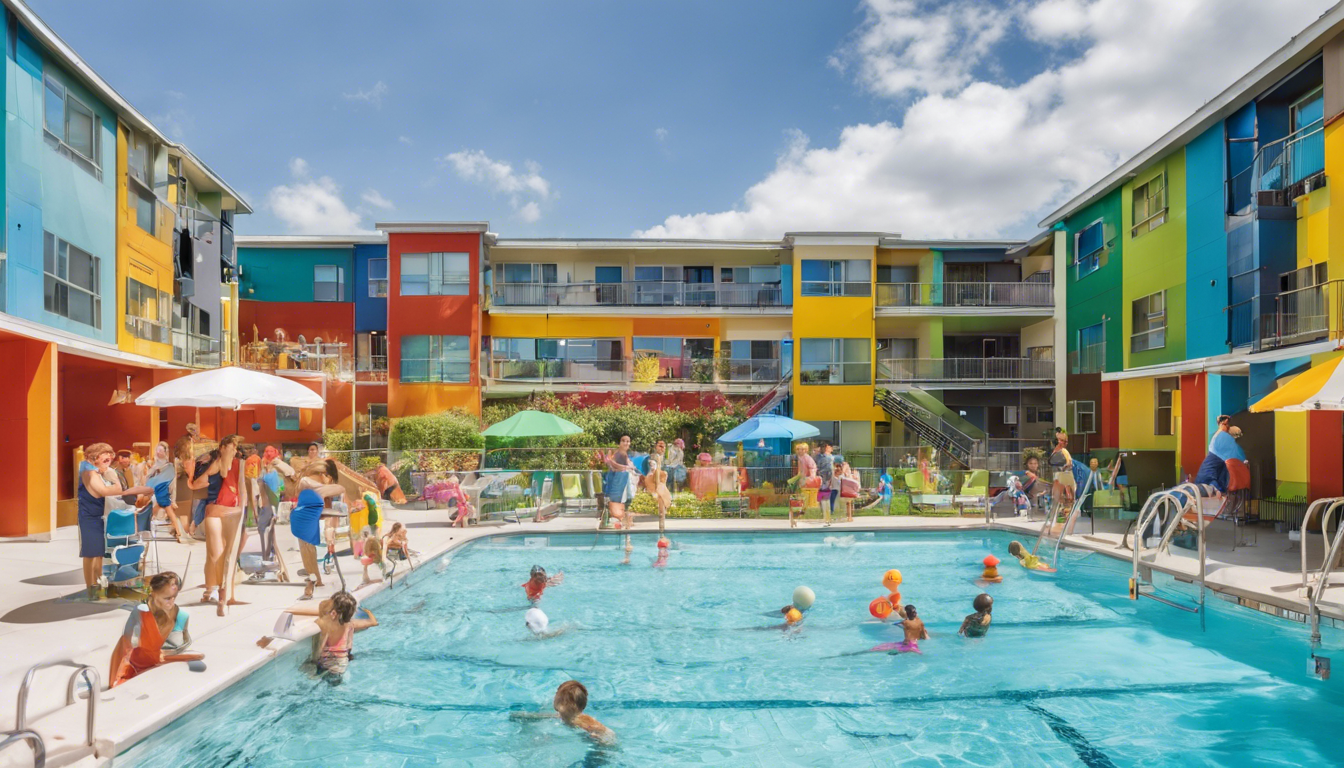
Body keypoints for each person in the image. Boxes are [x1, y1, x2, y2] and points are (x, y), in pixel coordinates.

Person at [78, 444, 153, 600]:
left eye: (110, 455)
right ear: (94, 457)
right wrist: (114, 480)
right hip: (89, 517)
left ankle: (98, 583)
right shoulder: (90, 473)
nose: (109, 458)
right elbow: (105, 492)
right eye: (105, 454)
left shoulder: (96, 472)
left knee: (98, 554)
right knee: (90, 554)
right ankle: (90, 587)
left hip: (98, 516)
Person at [109, 572, 204, 686]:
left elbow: (178, 644)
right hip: (136, 667)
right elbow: (123, 645)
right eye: (167, 598)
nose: (172, 602)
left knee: (198, 656)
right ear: (153, 594)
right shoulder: (142, 611)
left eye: (174, 597)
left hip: (155, 662)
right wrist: (113, 683)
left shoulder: (177, 613)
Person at [190, 435, 246, 616]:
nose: (234, 449)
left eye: (236, 446)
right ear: (222, 447)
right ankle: (216, 591)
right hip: (214, 510)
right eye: (231, 446)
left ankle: (219, 592)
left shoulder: (237, 464)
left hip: (231, 511)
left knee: (225, 553)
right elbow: (196, 485)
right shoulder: (215, 464)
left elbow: (242, 487)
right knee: (216, 553)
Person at [292, 462, 347, 596]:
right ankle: (315, 579)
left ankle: (314, 579)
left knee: (308, 548)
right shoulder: (311, 482)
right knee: (307, 549)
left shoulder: (315, 483)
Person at [511, 681, 614, 743]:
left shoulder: (578, 722)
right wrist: (523, 716)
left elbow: (603, 736)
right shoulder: (569, 716)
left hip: (602, 750)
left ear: (558, 701)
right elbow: (548, 716)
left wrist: (598, 741)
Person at [312, 591, 378, 680]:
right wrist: (368, 612)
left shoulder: (325, 624)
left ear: (333, 612)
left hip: (327, 663)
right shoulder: (351, 624)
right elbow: (374, 623)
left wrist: (314, 662)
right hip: (342, 664)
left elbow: (320, 649)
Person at [602, 435, 639, 530]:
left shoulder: (624, 454)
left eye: (628, 441)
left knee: (625, 502)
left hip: (623, 481)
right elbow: (614, 466)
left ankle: (625, 522)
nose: (626, 443)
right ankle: (618, 522)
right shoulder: (619, 454)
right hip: (618, 482)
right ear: (620, 443)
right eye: (624, 441)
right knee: (617, 503)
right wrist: (626, 468)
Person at [644, 456, 672, 535]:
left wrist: (659, 464)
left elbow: (659, 482)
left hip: (661, 492)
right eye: (650, 465)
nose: (651, 466)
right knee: (659, 493)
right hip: (654, 492)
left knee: (660, 490)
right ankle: (661, 525)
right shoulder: (647, 477)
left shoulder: (662, 473)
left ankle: (662, 524)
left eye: (653, 464)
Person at [1049, 430, 1075, 508]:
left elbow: (1069, 463)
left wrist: (1065, 467)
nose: (1065, 443)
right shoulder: (1056, 452)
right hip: (1059, 476)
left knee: (1066, 497)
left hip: (1064, 476)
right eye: (1062, 440)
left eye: (1066, 441)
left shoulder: (1064, 451)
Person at [815, 442, 835, 525]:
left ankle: (826, 517)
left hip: (826, 480)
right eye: (830, 447)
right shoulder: (826, 458)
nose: (832, 448)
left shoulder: (827, 457)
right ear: (827, 447)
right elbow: (828, 469)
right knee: (825, 499)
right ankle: (826, 517)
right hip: (826, 480)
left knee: (825, 499)